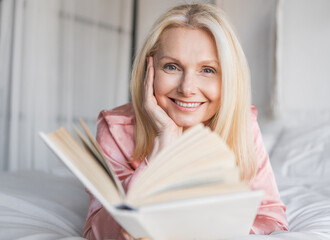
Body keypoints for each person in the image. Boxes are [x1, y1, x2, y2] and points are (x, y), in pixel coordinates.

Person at [83, 3, 288, 239]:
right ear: (149, 70)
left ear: (229, 78)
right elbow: (95, 231)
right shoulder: (116, 129)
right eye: (172, 67)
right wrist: (162, 149)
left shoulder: (241, 124)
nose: (187, 88)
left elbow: (271, 219)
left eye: (208, 70)